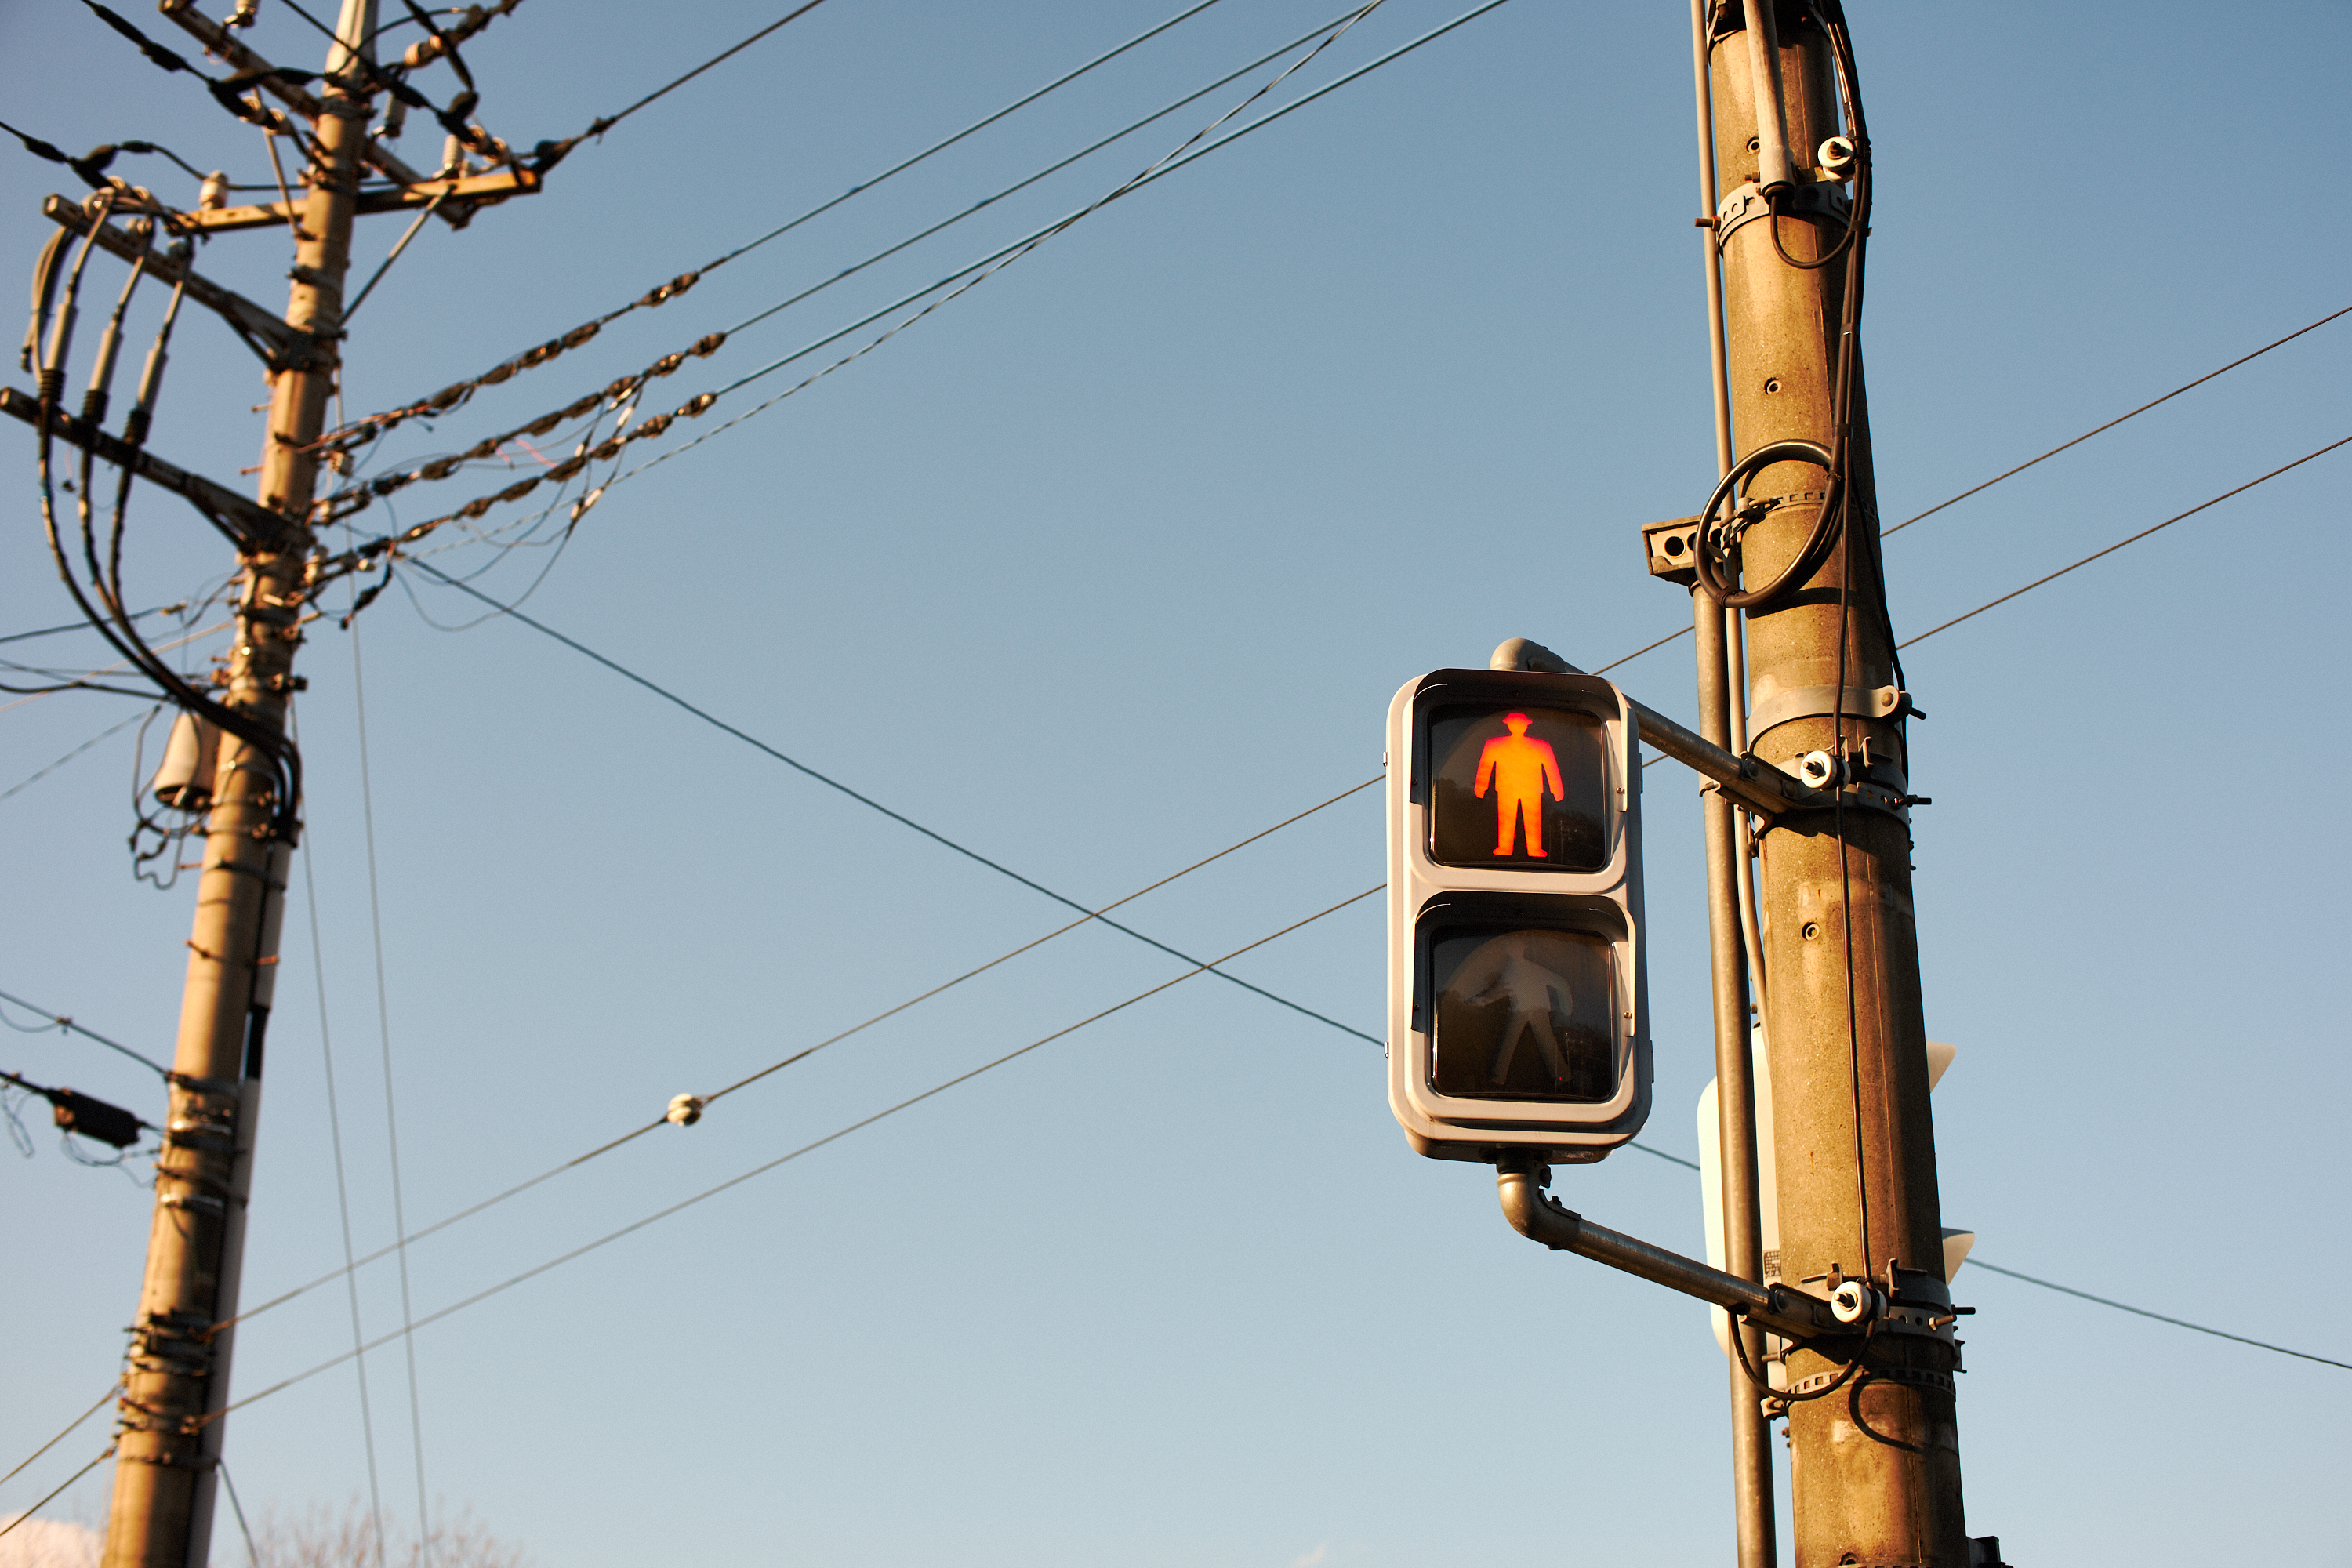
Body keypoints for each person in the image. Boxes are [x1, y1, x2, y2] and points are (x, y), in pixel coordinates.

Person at [1472, 711, 1563, 857]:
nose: (1517, 726)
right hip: (1507, 788)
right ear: (1508, 725)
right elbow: (1485, 766)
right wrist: (1481, 786)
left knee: (1532, 820)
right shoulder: (1495, 745)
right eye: (1514, 724)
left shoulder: (1541, 746)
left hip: (1531, 789)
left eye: (1520, 724)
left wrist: (1556, 789)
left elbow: (1551, 768)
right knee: (1506, 819)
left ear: (1526, 726)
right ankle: (1504, 848)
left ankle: (1535, 849)